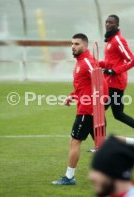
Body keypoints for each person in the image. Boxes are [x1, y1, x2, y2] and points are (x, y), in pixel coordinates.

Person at [52, 33, 108, 185]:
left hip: (88, 110)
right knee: (102, 145)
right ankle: (119, 170)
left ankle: (69, 177)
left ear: (85, 45)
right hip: (90, 109)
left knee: (74, 141)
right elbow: (83, 87)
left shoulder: (87, 62)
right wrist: (72, 96)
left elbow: (102, 83)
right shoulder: (80, 62)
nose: (73, 46)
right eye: (72, 44)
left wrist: (98, 104)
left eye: (77, 44)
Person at [99, 14, 134, 145]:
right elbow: (109, 62)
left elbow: (132, 61)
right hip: (110, 83)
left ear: (117, 25)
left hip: (115, 83)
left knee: (98, 111)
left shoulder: (118, 40)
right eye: (106, 22)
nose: (107, 24)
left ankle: (101, 144)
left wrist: (114, 71)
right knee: (118, 114)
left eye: (111, 22)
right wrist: (97, 63)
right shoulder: (110, 41)